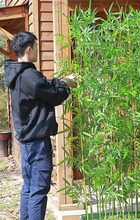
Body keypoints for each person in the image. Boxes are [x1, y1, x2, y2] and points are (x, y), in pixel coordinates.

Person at [4, 31, 73, 220]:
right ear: (29, 49)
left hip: (26, 140)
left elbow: (42, 90)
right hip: (37, 142)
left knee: (29, 187)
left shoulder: (17, 74)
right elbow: (54, 95)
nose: (38, 50)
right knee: (39, 190)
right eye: (36, 46)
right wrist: (66, 85)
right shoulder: (29, 75)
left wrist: (58, 82)